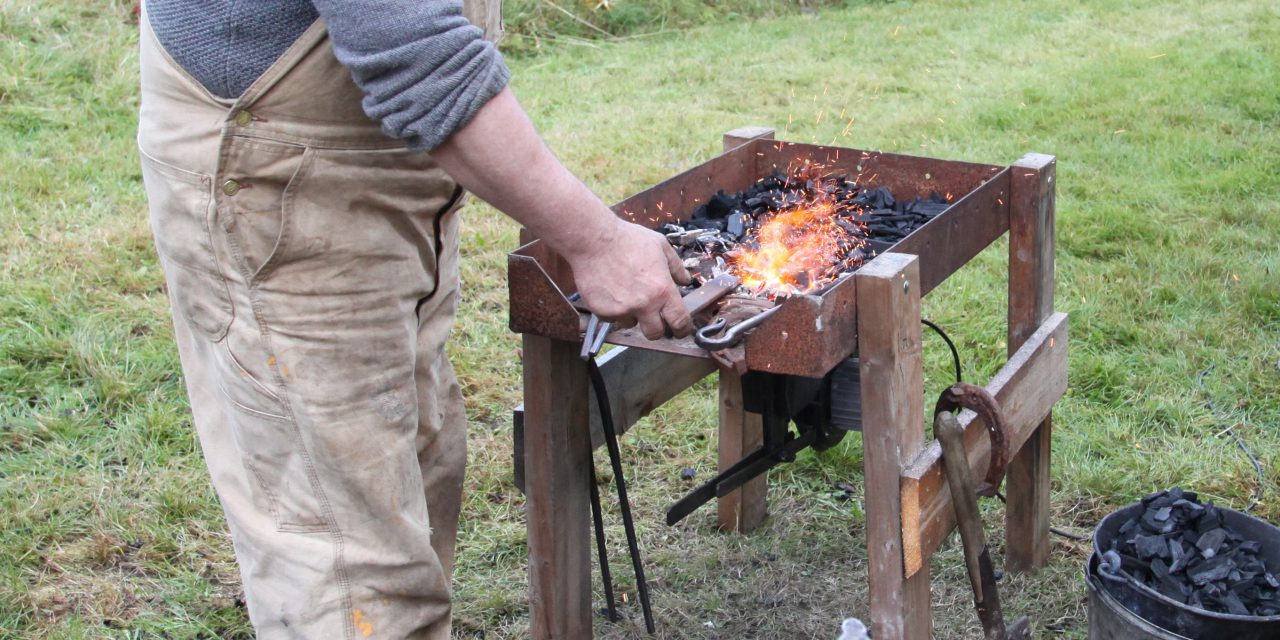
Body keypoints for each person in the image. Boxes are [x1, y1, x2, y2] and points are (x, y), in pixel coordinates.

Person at [137, 1, 692, 637]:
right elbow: (419, 55)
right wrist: (597, 241)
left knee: (420, 458)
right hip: (280, 182)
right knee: (349, 556)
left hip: (383, 179)